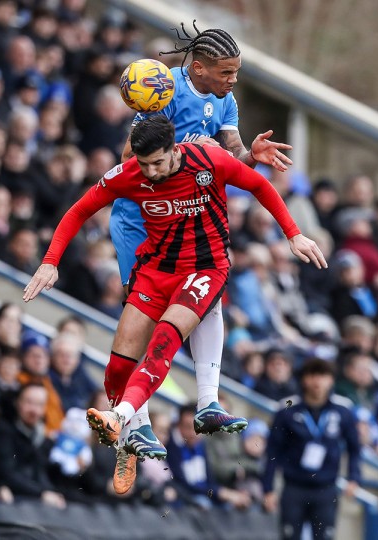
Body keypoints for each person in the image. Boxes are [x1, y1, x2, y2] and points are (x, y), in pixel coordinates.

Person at [23, 116, 326, 493]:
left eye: (157, 163)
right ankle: (131, 440)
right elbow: (79, 210)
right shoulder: (129, 174)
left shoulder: (207, 160)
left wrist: (293, 234)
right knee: (117, 369)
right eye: (143, 163)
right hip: (155, 271)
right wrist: (50, 261)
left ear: (173, 150)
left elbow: (259, 185)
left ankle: (126, 415)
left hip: (204, 268)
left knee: (164, 339)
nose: (150, 172)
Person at [109, 24, 291, 470]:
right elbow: (132, 158)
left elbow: (232, 157)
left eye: (236, 71)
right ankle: (135, 424)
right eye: (226, 72)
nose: (233, 80)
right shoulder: (164, 90)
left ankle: (208, 401)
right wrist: (188, 149)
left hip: (189, 220)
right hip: (142, 221)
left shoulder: (226, 100)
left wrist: (252, 156)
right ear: (198, 68)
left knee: (207, 300)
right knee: (145, 319)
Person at [262, 359, 361, 540]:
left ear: (331, 380)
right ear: (304, 379)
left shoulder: (343, 410)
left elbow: (354, 448)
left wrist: (353, 477)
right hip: (294, 486)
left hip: (326, 488)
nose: (317, 381)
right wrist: (268, 488)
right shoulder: (287, 409)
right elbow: (272, 451)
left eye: (323, 375)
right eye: (312, 375)